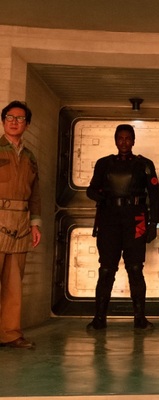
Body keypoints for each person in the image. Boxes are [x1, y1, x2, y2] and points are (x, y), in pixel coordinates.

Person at [86, 124, 159, 331]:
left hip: (135, 220)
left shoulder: (144, 164)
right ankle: (99, 318)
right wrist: (101, 196)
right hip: (109, 219)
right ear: (115, 140)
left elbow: (155, 197)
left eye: (128, 138)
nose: (124, 142)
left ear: (134, 141)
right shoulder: (103, 164)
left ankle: (140, 318)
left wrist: (153, 223)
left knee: (135, 268)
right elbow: (91, 190)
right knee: (106, 269)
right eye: (120, 138)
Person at [0, 100, 41, 349]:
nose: (14, 122)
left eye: (20, 118)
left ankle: (10, 334)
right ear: (3, 121)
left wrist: (35, 223)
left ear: (27, 124)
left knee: (14, 282)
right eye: (10, 118)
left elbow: (35, 193)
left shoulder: (30, 156)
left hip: (21, 222)